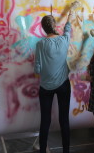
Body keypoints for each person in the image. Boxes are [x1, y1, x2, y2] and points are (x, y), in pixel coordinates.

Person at [34, 13, 72, 153]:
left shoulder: (40, 44)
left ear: (43, 28)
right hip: (63, 85)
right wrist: (70, 14)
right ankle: (66, 151)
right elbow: (68, 28)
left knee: (45, 121)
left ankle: (42, 150)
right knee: (64, 120)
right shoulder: (64, 40)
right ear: (55, 25)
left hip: (45, 87)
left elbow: (37, 68)